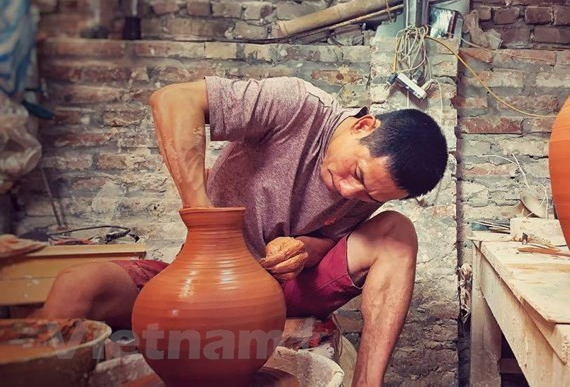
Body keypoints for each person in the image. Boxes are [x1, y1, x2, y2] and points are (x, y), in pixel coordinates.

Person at [34, 76, 449, 386]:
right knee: (78, 284)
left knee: (397, 234)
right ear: (363, 127)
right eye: (356, 173)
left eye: (366, 194)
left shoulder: (372, 188)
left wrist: (303, 249)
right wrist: (200, 211)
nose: (348, 191)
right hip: (205, 282)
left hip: (281, 290)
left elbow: (331, 244)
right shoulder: (298, 107)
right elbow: (173, 100)